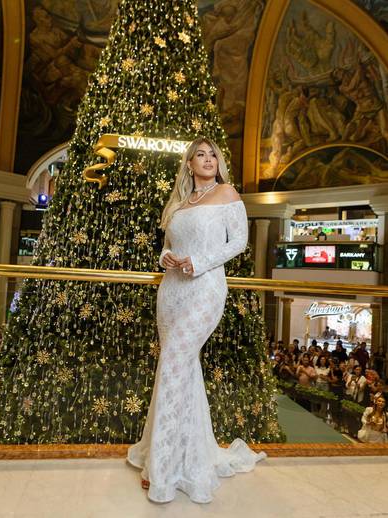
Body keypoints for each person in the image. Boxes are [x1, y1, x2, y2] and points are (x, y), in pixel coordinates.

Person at [126, 137, 266, 504]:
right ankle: (180, 455)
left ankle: (163, 469)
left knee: (174, 364)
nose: (207, 160)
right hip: (171, 292)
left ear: (219, 163)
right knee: (177, 369)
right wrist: (167, 258)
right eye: (199, 155)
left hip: (205, 289)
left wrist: (198, 262)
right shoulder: (181, 203)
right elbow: (168, 245)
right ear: (189, 164)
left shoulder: (228, 193)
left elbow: (239, 242)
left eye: (212, 156)